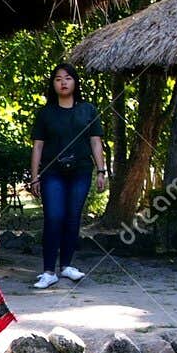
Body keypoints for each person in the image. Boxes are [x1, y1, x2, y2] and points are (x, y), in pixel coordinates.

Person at [27, 62, 107, 290]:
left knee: (73, 217)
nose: (63, 82)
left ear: (75, 82)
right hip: (52, 172)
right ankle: (48, 271)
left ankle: (67, 266)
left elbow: (95, 142)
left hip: (81, 171)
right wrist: (35, 177)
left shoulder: (88, 110)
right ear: (53, 84)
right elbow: (38, 147)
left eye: (68, 78)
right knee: (54, 217)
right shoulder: (45, 113)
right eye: (58, 78)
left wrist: (101, 171)